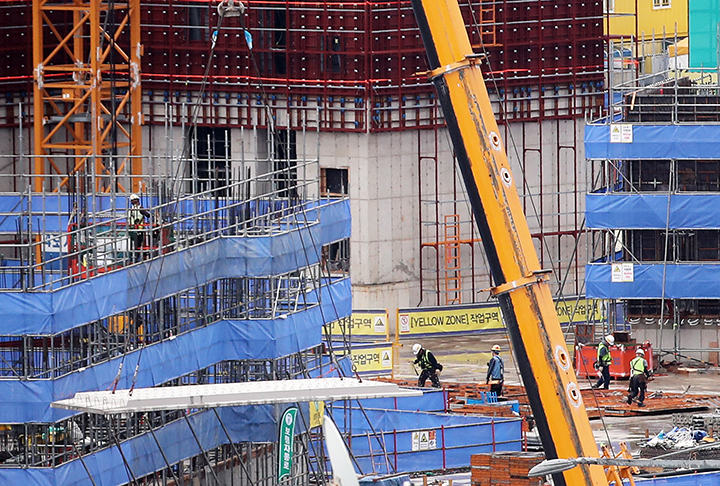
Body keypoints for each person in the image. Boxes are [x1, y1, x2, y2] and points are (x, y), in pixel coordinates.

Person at [127, 194, 150, 262]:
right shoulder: (140, 208)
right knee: (139, 245)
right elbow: (148, 215)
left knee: (132, 245)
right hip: (139, 230)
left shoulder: (130, 210)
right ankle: (138, 259)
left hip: (132, 229)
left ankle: (131, 259)